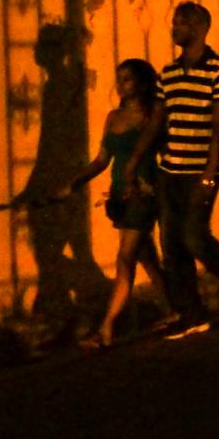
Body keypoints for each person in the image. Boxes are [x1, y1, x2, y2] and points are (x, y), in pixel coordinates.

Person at [126, 1, 219, 340]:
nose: (174, 28)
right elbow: (157, 121)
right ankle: (192, 314)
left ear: (199, 28)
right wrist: (134, 161)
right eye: (174, 22)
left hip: (202, 170)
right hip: (170, 170)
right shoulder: (168, 74)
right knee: (171, 246)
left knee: (194, 237)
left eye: (181, 22)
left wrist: (209, 176)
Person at [57, 58, 176, 348]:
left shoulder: (152, 117)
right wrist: (74, 183)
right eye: (119, 78)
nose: (121, 85)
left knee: (125, 259)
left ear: (143, 84)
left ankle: (106, 329)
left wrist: (153, 185)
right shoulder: (113, 117)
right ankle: (174, 310)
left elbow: (169, 155)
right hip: (120, 195)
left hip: (141, 196)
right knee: (146, 257)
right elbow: (101, 160)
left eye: (127, 79)